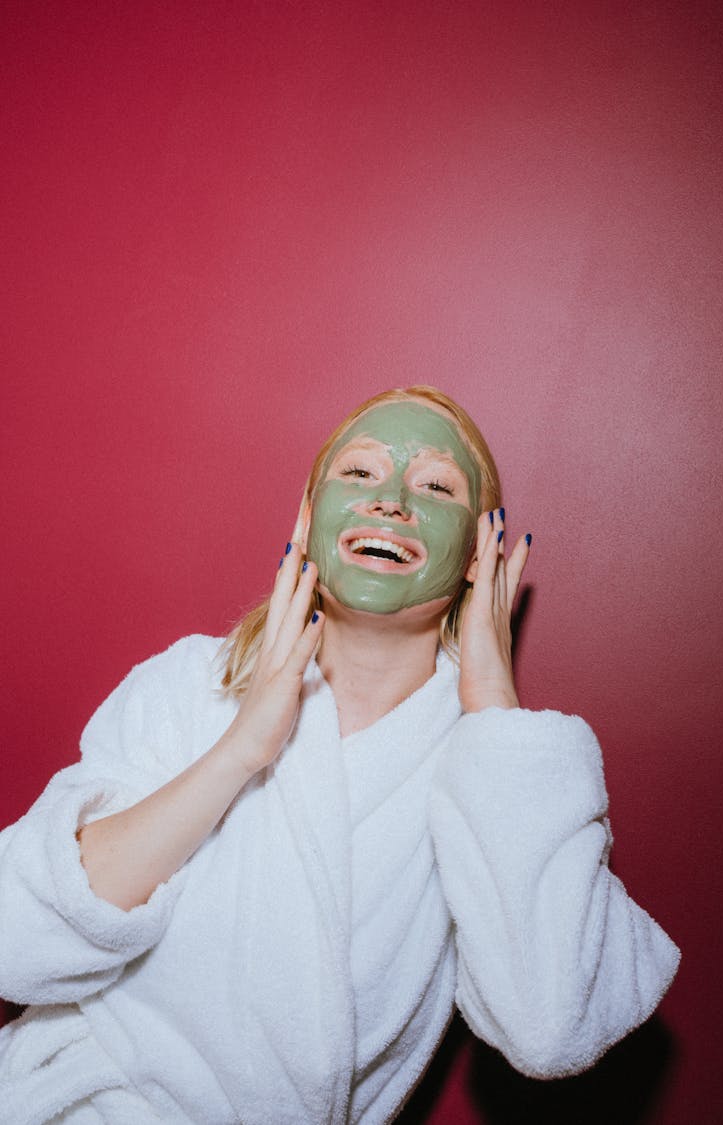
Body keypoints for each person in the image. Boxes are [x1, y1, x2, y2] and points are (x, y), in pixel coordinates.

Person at [0, 386, 679, 1124]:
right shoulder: (190, 685)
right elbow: (18, 936)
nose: (389, 499)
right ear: (309, 513)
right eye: (358, 474)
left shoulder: (500, 768)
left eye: (436, 485)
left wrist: (490, 697)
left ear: (479, 549)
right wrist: (239, 749)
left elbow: (553, 1027)